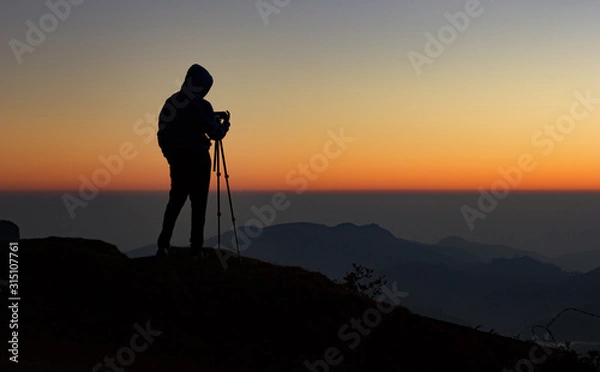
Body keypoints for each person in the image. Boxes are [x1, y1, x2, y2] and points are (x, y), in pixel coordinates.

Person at [156, 64, 230, 257]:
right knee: (199, 205)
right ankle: (196, 248)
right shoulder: (202, 106)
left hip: (178, 161)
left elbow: (163, 132)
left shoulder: (171, 102)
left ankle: (163, 245)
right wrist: (225, 125)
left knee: (175, 202)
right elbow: (215, 133)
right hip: (198, 160)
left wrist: (171, 156)